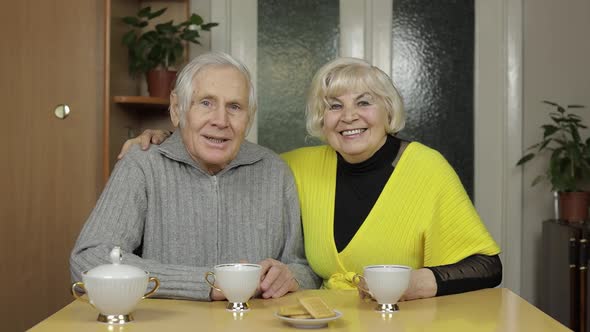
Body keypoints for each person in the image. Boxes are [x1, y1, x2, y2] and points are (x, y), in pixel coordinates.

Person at [121, 57, 502, 301]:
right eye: (334, 106)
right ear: (322, 120)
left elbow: (488, 266)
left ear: (388, 110)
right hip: (325, 323)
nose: (348, 116)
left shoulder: (426, 168)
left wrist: (421, 283)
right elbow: (227, 149)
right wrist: (165, 141)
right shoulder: (295, 167)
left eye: (364, 102)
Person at [70, 52, 320, 302]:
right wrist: (205, 283)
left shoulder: (274, 170)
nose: (220, 121)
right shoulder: (143, 164)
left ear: (249, 117)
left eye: (234, 107)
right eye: (206, 103)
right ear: (177, 109)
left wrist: (291, 277)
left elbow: (304, 268)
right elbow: (90, 258)